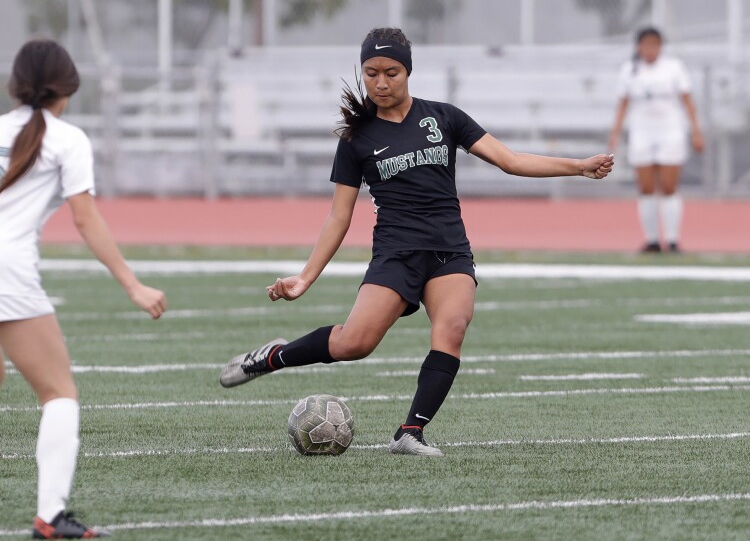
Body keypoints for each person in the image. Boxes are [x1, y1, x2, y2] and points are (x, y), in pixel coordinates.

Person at [220, 27, 613, 456]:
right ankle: (273, 356)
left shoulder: (444, 117)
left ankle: (410, 433)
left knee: (453, 327)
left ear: (408, 72)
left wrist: (578, 166)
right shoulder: (356, 139)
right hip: (396, 254)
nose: (381, 82)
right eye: (371, 73)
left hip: (449, 252)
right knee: (356, 343)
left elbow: (511, 160)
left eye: (392, 72)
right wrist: (305, 278)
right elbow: (339, 216)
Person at [0, 40, 167, 539]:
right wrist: (133, 284)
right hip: (8, 271)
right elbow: (86, 220)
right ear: (67, 88)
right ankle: (50, 517)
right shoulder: (67, 138)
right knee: (58, 394)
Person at [608, 27, 705, 253]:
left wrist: (696, 131)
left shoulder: (674, 68)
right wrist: (615, 133)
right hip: (642, 131)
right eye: (646, 44)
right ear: (638, 47)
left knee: (669, 186)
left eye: (655, 44)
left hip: (669, 131)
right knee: (646, 187)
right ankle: (652, 240)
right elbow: (623, 103)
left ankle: (672, 240)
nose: (651, 49)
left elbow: (687, 100)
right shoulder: (629, 70)